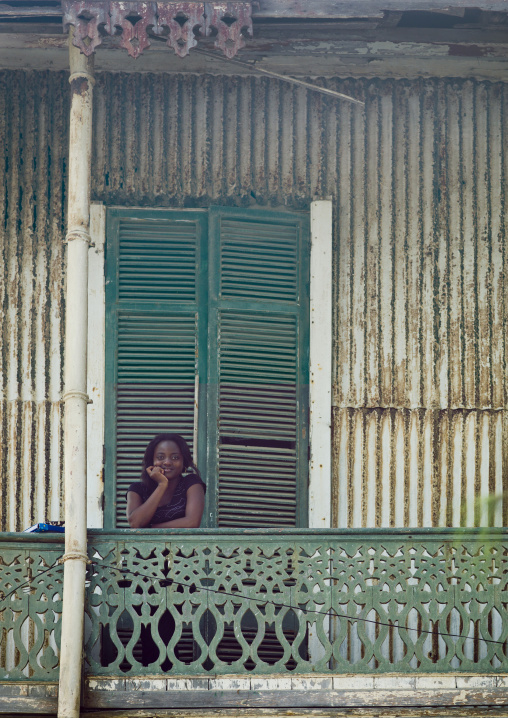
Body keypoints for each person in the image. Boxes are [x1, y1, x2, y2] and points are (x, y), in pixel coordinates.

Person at [126, 433, 205, 529]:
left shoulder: (191, 483)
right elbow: (135, 523)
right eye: (160, 457)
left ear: (184, 462)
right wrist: (162, 485)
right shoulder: (137, 489)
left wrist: (152, 528)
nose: (167, 462)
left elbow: (192, 522)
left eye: (175, 457)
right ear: (152, 461)